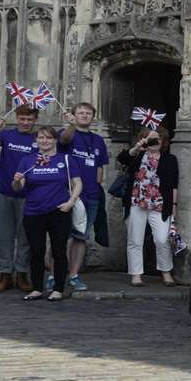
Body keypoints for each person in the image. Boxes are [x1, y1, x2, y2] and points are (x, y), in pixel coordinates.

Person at [11, 126, 80, 300]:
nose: (45, 141)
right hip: (33, 211)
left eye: (49, 138)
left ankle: (58, 289)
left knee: (58, 250)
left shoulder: (65, 159)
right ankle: (37, 288)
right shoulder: (28, 161)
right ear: (36, 141)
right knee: (36, 251)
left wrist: (70, 203)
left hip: (59, 210)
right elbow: (18, 187)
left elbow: (77, 183)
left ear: (55, 140)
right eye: (41, 137)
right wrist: (17, 181)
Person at [56, 101, 110, 293]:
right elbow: (63, 142)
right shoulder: (66, 133)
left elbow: (100, 166)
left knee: (81, 237)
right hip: (66, 193)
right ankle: (55, 274)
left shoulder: (98, 140)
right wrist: (71, 125)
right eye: (80, 112)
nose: (84, 115)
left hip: (90, 195)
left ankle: (74, 275)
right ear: (73, 115)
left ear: (93, 117)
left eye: (88, 113)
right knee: (59, 237)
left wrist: (96, 187)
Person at [0, 103, 41, 292]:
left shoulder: (39, 138)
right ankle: (5, 274)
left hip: (29, 194)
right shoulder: (7, 134)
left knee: (25, 236)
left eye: (29, 119)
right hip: (3, 191)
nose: (25, 122)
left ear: (35, 120)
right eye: (22, 118)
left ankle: (22, 274)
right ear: (16, 118)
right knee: (4, 236)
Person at [120, 125, 179, 286]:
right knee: (135, 240)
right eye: (152, 138)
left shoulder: (170, 159)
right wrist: (139, 146)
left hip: (160, 204)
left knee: (162, 239)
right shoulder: (137, 156)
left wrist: (173, 206)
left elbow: (174, 185)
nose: (156, 141)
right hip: (136, 202)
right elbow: (122, 158)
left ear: (164, 141)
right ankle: (136, 274)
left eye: (159, 139)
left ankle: (166, 272)